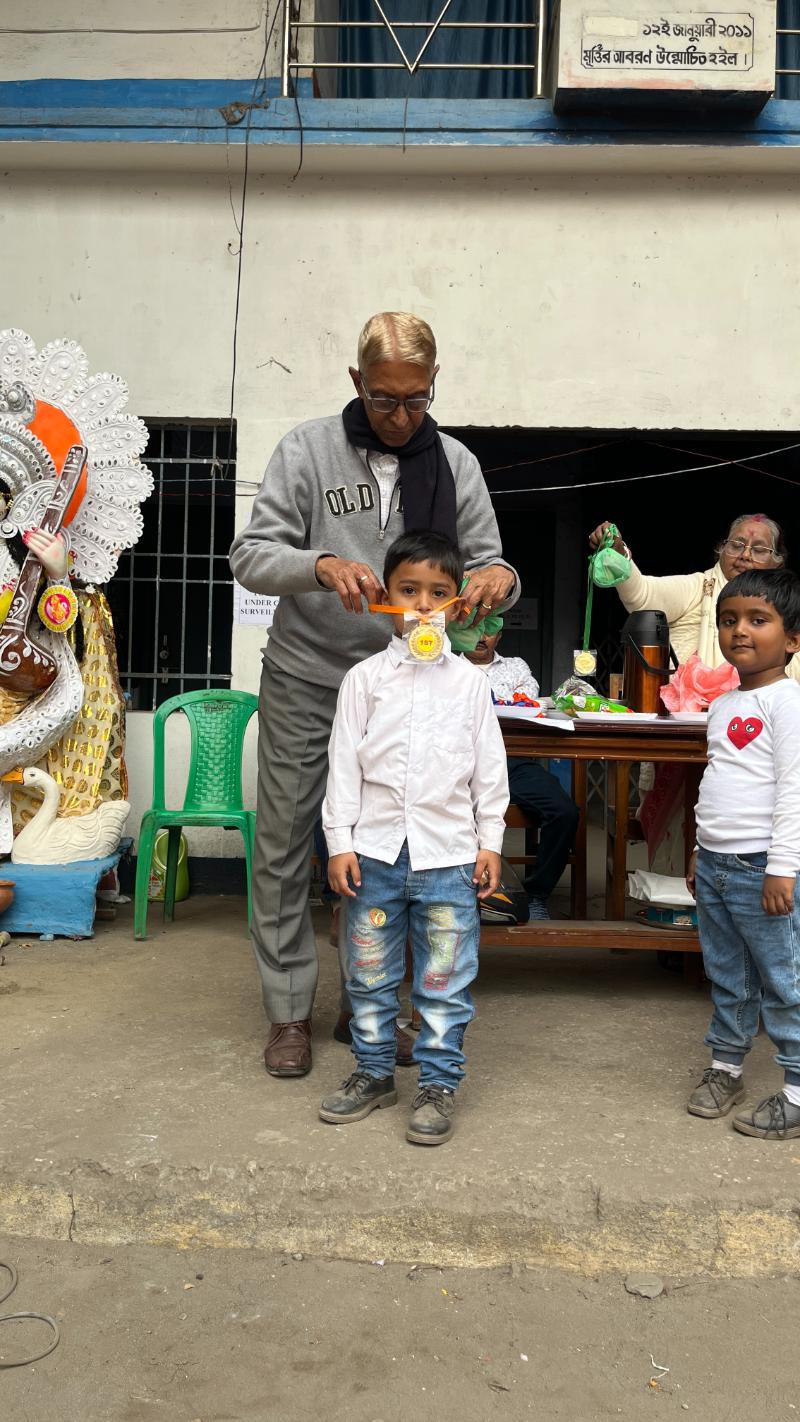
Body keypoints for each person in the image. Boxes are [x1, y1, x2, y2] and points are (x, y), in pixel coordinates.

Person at [229, 312, 519, 1079]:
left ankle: (374, 1005)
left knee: (395, 848)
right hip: (309, 677)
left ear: (434, 384)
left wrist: (500, 580)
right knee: (285, 844)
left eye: (417, 400)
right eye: (385, 399)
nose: (400, 417)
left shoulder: (455, 464)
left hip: (410, 687)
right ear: (357, 382)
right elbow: (250, 556)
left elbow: (490, 565)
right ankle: (289, 1011)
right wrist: (319, 564)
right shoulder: (306, 450)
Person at [319, 530, 508, 1145]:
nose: (423, 605)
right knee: (369, 973)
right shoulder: (364, 680)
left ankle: (437, 1083)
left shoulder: (470, 684)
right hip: (374, 856)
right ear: (386, 597)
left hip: (449, 858)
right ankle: (374, 1073)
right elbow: (343, 765)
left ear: (457, 602)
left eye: (437, 592)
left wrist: (490, 841)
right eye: (408, 591)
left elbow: (489, 770)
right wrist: (339, 842)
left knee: (444, 980)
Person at [686, 568, 800, 1140]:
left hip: (762, 868)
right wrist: (698, 849)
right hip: (715, 864)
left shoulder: (789, 704)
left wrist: (783, 867)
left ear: (793, 638)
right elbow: (719, 781)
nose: (740, 631)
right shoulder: (725, 704)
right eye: (728, 620)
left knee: (783, 979)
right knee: (728, 973)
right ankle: (726, 1068)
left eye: (759, 620)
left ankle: (798, 1090)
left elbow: (794, 790)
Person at [588, 511, 800, 676]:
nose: (745, 555)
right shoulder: (698, 587)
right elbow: (643, 597)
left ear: (778, 562)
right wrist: (619, 554)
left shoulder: (790, 605)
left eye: (759, 550)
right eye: (736, 545)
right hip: (690, 714)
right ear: (721, 550)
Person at [464, 625, 578, 919]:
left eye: (489, 630)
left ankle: (536, 894)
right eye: (474, 627)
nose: (481, 636)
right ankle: (456, 895)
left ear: (499, 636)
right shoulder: (445, 665)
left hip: (510, 760)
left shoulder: (515, 666)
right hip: (459, 762)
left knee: (564, 811)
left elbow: (525, 700)